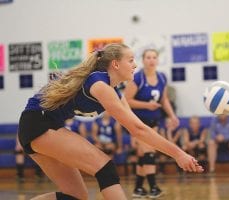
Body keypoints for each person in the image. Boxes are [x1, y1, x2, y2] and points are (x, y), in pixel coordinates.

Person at [17, 43, 202, 200]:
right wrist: (178, 154)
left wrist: (175, 152)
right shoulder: (99, 84)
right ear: (115, 64)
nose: (135, 65)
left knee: (75, 196)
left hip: (41, 126)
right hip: (38, 124)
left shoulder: (114, 92)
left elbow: (139, 128)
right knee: (105, 169)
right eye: (130, 60)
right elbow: (138, 130)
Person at [124, 49, 179, 198]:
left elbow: (164, 99)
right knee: (149, 152)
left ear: (158, 60)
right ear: (143, 60)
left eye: (154, 57)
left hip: (153, 121)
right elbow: (126, 101)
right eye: (148, 57)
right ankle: (154, 187)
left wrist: (172, 115)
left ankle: (138, 188)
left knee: (143, 154)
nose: (151, 60)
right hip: (138, 122)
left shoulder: (162, 78)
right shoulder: (138, 78)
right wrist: (147, 105)